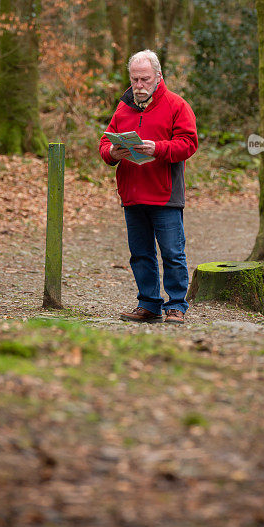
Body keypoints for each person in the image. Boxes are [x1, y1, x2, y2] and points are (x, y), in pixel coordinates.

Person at [99, 49, 198, 324]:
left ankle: (176, 304)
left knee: (172, 252)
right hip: (132, 193)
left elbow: (189, 143)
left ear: (158, 77)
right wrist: (112, 153)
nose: (139, 86)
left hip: (164, 193)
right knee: (140, 253)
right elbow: (104, 145)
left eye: (144, 79)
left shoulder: (177, 105)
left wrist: (159, 148)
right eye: (135, 79)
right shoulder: (123, 107)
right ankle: (149, 304)